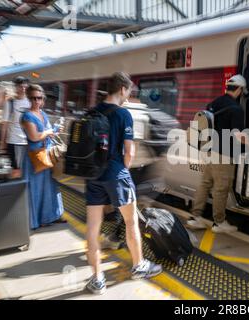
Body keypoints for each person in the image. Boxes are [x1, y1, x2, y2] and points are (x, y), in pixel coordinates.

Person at [84, 72, 162, 295]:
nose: (129, 95)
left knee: (92, 228)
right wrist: (122, 169)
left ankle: (97, 279)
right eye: (129, 90)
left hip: (93, 176)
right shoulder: (123, 114)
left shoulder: (91, 112)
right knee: (130, 222)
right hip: (116, 175)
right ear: (122, 89)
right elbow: (129, 152)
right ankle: (139, 266)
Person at [187, 75, 249, 233]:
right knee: (221, 188)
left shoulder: (213, 103)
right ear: (239, 90)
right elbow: (238, 135)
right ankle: (219, 222)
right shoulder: (236, 109)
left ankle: (194, 218)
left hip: (207, 151)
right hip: (223, 154)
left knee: (205, 184)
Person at [20, 84, 65, 230]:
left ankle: (48, 217)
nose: (36, 101)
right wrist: (49, 132)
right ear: (28, 98)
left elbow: (47, 132)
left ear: (43, 98)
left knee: (49, 187)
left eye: (39, 98)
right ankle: (35, 220)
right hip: (34, 158)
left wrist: (56, 130)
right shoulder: (26, 116)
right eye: (33, 98)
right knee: (36, 189)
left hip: (46, 154)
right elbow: (34, 137)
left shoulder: (43, 114)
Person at [0, 76, 31, 178]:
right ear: (16, 87)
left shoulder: (31, 102)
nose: (23, 89)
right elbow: (5, 124)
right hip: (14, 141)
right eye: (20, 87)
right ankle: (14, 191)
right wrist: (2, 144)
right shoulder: (10, 102)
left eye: (25, 87)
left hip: (28, 142)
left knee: (27, 171)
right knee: (16, 171)